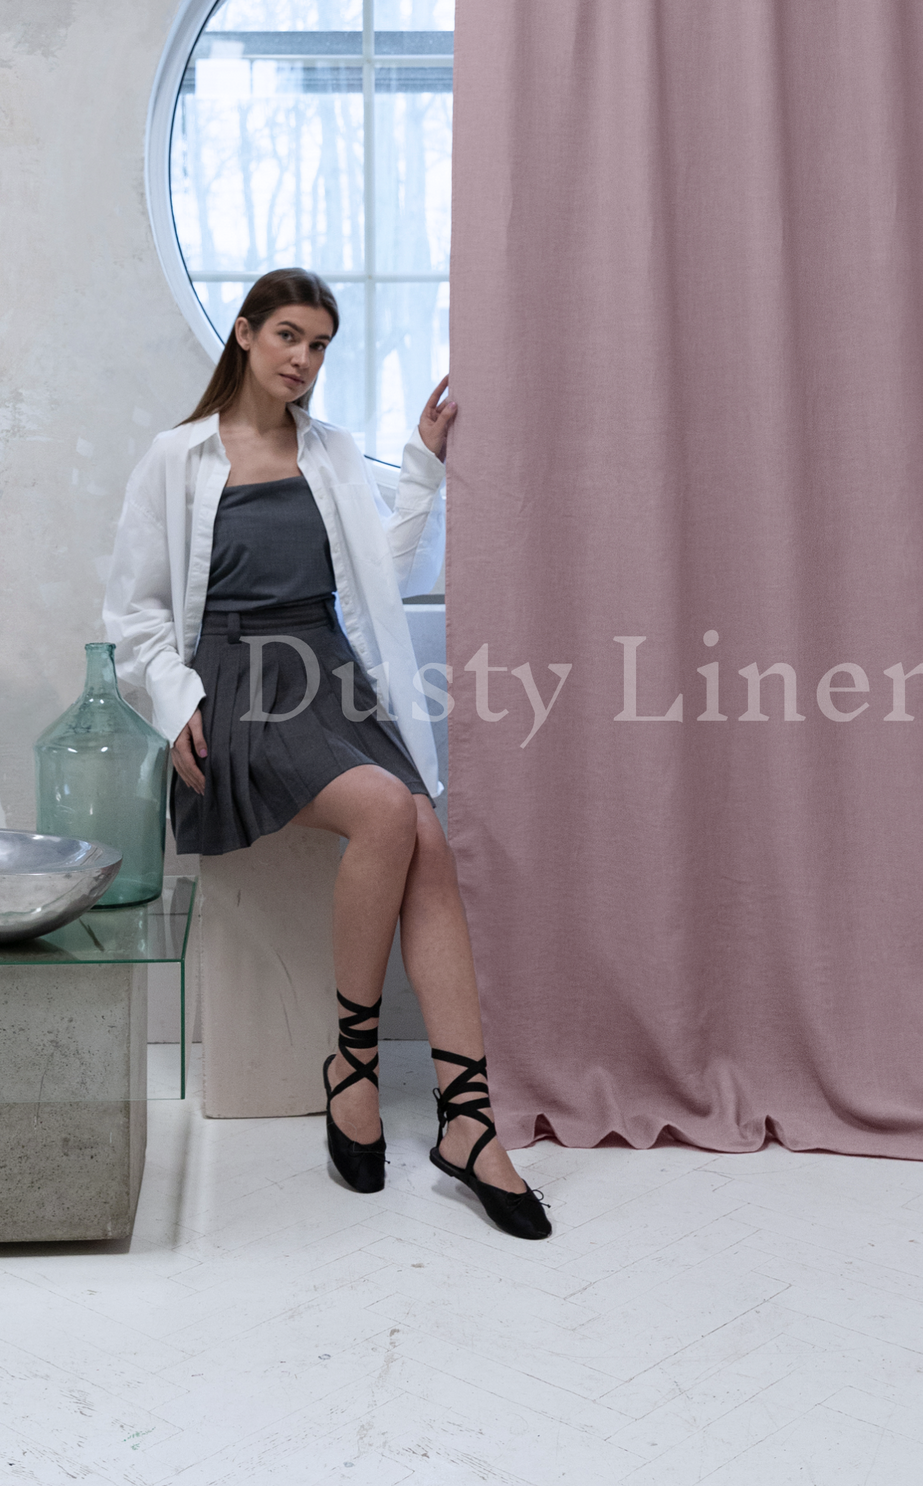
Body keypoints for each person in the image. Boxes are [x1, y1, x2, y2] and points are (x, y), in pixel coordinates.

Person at [102, 266, 551, 1240]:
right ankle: (350, 1062)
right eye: (288, 336)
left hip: (326, 670)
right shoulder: (175, 460)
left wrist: (421, 468)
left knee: (426, 833)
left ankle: (467, 1120)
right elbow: (133, 611)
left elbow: (373, 580)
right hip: (231, 681)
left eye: (318, 345)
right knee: (390, 810)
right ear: (244, 334)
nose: (302, 359)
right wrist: (173, 695)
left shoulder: (333, 454)